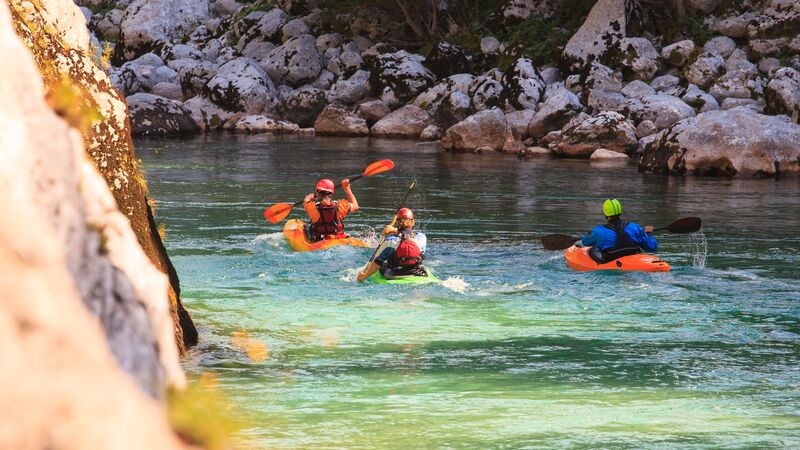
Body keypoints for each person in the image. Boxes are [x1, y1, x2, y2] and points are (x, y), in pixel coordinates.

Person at [357, 208, 428, 281]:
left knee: (383, 263)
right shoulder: (422, 237)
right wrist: (394, 230)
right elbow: (408, 236)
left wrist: (363, 276)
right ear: (413, 222)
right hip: (418, 272)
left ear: (397, 223)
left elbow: (376, 264)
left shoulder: (390, 241)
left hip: (395, 274)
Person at [581, 198, 657, 263]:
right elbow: (652, 247)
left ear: (605, 213)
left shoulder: (598, 231)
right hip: (633, 260)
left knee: (593, 249)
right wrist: (648, 233)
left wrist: (588, 234)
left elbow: (585, 242)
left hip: (611, 261)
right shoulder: (634, 227)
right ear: (620, 211)